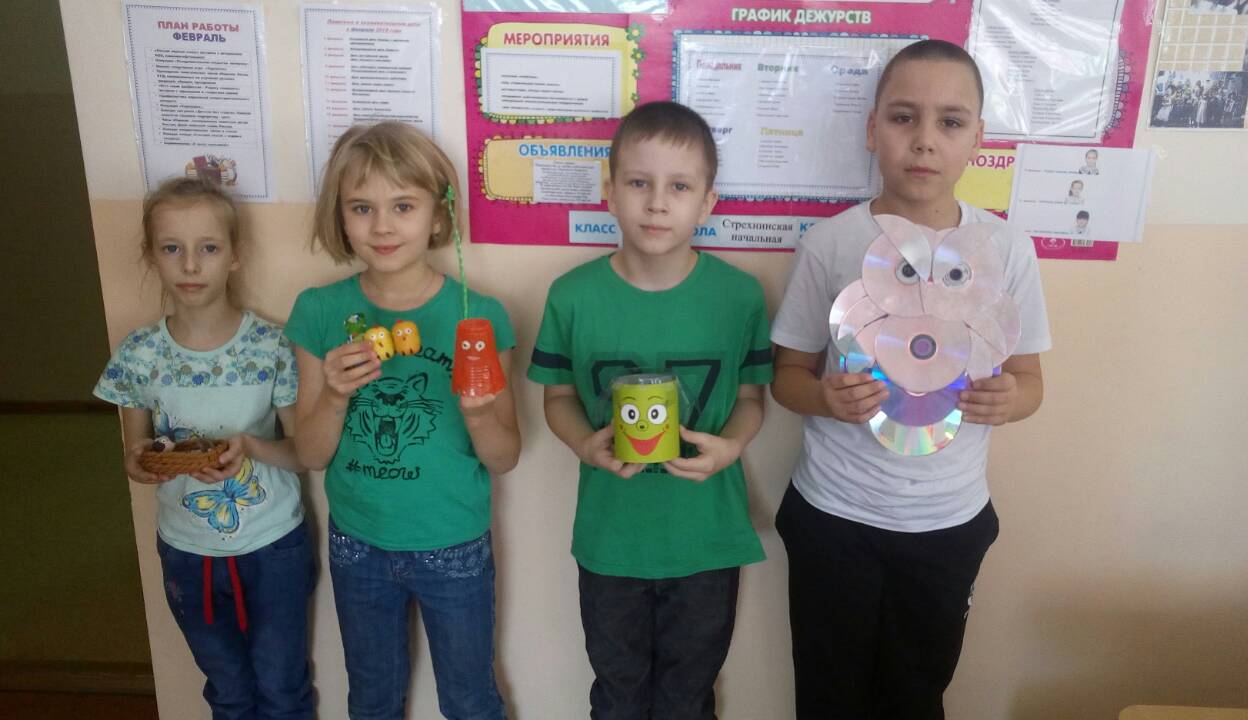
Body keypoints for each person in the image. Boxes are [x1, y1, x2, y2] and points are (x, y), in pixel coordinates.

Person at [770, 39, 1052, 719]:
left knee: (916, 695)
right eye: (903, 117)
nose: (924, 140)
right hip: (833, 517)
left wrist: (1009, 399)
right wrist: (826, 398)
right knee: (828, 695)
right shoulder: (830, 243)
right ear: (873, 129)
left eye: (950, 122)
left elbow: (1030, 381)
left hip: (947, 523)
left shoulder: (1006, 249)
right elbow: (787, 377)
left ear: (977, 139)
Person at [527, 100, 772, 720]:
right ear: (610, 192)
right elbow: (557, 397)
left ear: (707, 203)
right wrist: (585, 444)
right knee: (618, 698)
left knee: (688, 700)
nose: (657, 203)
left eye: (679, 187)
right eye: (639, 183)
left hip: (707, 544)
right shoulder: (572, 297)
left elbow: (751, 399)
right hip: (611, 544)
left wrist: (731, 447)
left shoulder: (740, 297)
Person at [286, 121, 519, 720]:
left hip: (454, 542)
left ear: (438, 216)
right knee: (372, 700)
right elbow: (310, 454)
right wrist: (334, 395)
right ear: (340, 217)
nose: (382, 226)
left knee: (470, 700)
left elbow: (504, 457)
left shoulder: (481, 316)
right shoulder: (319, 311)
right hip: (357, 542)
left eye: (403, 206)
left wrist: (479, 414)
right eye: (362, 207)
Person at [94, 177, 315, 719]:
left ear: (235, 256)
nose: (190, 265)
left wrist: (250, 447)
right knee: (229, 692)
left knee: (283, 689)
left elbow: (304, 453)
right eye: (172, 248)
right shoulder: (139, 354)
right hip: (187, 553)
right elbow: (135, 455)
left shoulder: (272, 346)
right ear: (151, 255)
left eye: (208, 248)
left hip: (274, 548)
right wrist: (145, 463)